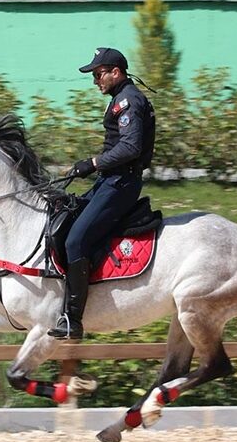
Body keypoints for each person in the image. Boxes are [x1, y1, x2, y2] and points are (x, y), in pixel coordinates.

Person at [48, 47, 156, 340]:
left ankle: (73, 319)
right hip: (110, 180)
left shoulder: (128, 101)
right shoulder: (121, 99)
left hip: (120, 184)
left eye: (98, 74)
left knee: (76, 240)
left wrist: (93, 163)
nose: (96, 80)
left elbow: (130, 147)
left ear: (115, 73)